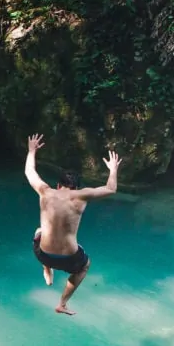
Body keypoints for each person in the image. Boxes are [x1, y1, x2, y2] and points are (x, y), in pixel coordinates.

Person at [25, 133, 122, 315]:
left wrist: (32, 151)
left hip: (42, 254)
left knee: (39, 231)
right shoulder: (81, 195)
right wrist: (113, 169)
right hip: (68, 258)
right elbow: (111, 188)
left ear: (58, 185)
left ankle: (47, 269)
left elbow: (29, 172)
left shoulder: (45, 191)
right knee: (85, 266)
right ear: (76, 188)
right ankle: (62, 303)